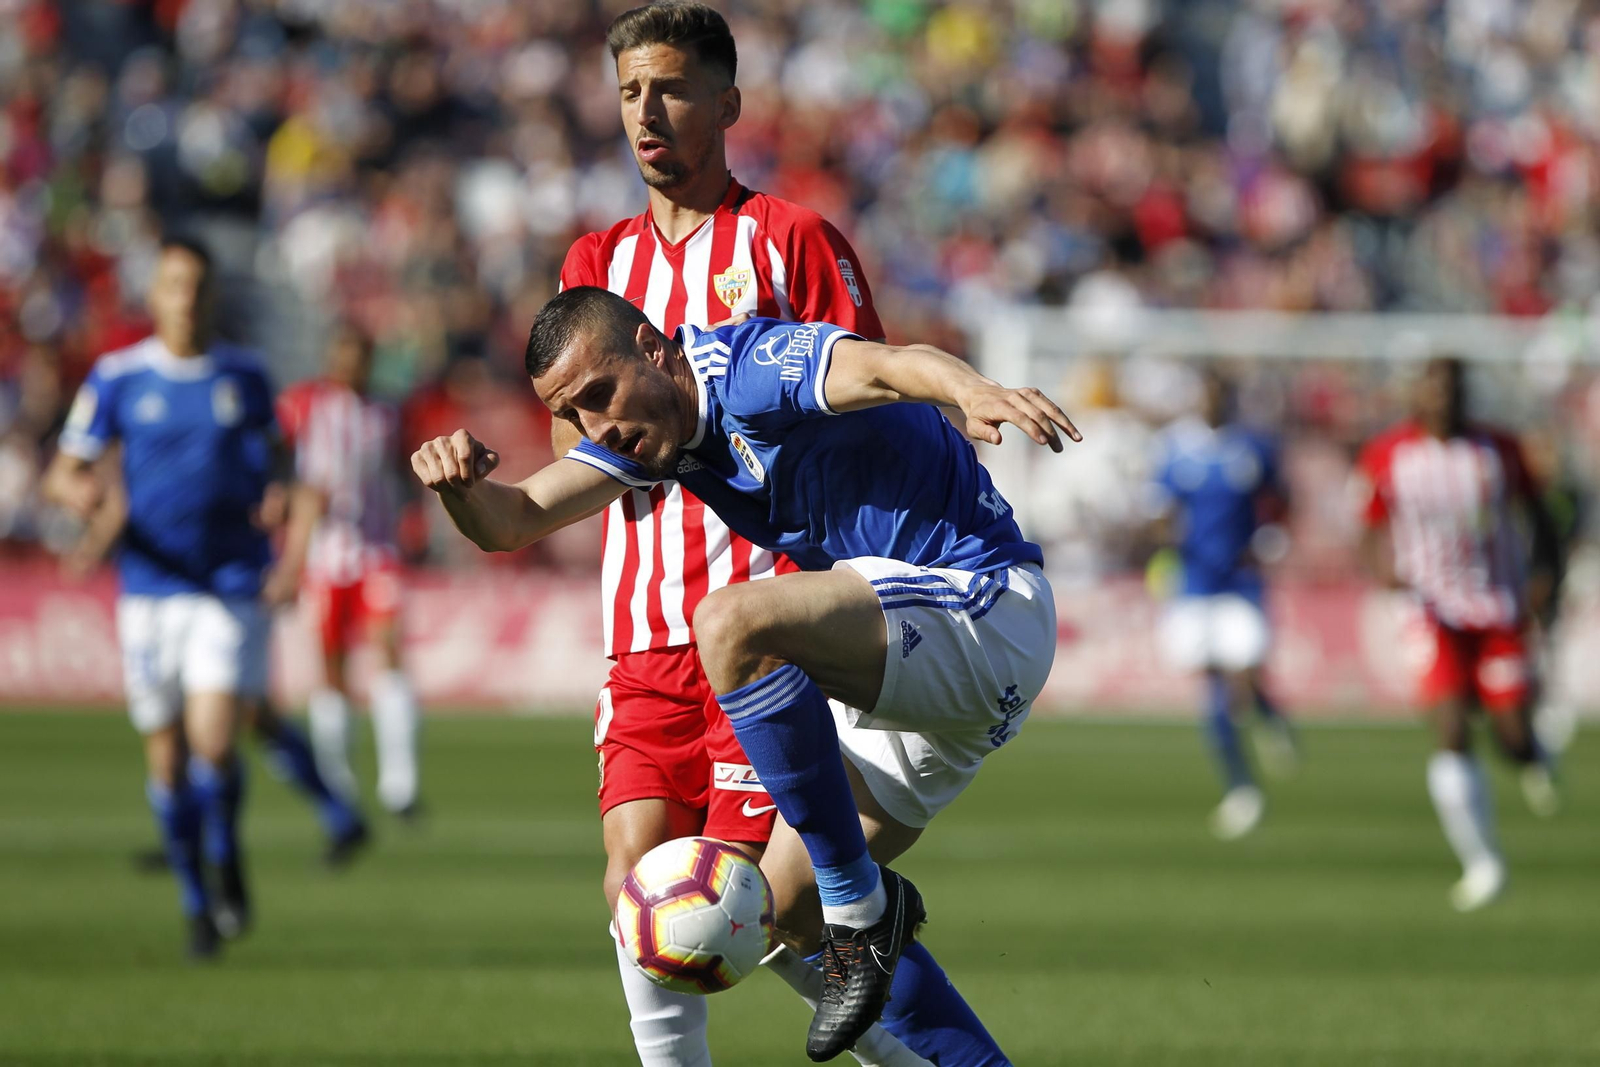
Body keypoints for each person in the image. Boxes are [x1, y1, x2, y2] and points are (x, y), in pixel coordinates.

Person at [411, 286, 1078, 1059]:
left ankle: (864, 914)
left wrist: (970, 388)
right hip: (933, 679)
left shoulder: (746, 368)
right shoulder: (648, 432)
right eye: (574, 416)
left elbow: (886, 365)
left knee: (730, 622)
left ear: (654, 350)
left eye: (600, 395)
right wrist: (457, 491)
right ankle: (881, 941)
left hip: (983, 605)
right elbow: (516, 516)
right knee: (786, 907)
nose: (596, 429)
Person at [553, 6, 984, 1065]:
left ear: (728, 102)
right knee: (640, 898)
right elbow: (587, 445)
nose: (646, 114)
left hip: (771, 626)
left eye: (670, 89)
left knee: (771, 903)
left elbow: (867, 409)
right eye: (628, 94)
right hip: (646, 625)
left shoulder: (790, 238)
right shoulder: (593, 261)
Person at [43, 237, 285, 957]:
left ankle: (226, 854)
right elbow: (64, 471)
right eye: (174, 284)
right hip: (148, 590)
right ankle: (196, 902)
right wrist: (85, 495)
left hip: (224, 584)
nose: (187, 298)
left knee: (214, 739)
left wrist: (276, 496)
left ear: (211, 295)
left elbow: (280, 459)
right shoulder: (119, 376)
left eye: (198, 285)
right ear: (155, 294)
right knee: (167, 760)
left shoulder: (244, 375)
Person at [1354, 357, 1562, 912]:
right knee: (1449, 727)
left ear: (1466, 394)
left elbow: (1539, 517)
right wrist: (1382, 571)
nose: (1443, 396)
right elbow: (1370, 526)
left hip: (1497, 608)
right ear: (1417, 395)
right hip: (1429, 610)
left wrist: (1547, 577)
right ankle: (1483, 862)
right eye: (1433, 386)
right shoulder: (1389, 454)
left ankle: (1534, 750)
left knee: (1513, 739)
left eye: (1453, 387)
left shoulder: (1498, 452)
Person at [272, 323, 423, 821]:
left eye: (359, 355)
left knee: (388, 651)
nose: (351, 365)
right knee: (331, 670)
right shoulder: (305, 405)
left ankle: (400, 785)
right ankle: (338, 784)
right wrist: (290, 548)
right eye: (343, 354)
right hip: (325, 559)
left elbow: (403, 471)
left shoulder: (386, 412)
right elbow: (298, 481)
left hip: (376, 553)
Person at [1148, 368, 1296, 840]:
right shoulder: (1176, 450)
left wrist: (1270, 538)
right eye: (1205, 397)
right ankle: (1241, 788)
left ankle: (1272, 719)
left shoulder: (1252, 448)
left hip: (1241, 582)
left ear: (1229, 402)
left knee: (1246, 676)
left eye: (1219, 397)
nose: (1211, 405)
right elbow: (1159, 511)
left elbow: (1283, 498)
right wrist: (1168, 540)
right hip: (1194, 583)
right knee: (1213, 685)